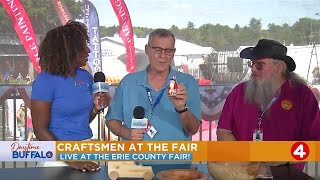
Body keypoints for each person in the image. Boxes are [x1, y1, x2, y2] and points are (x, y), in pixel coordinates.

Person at [217, 39, 320, 171]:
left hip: (286, 173)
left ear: (279, 67)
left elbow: (315, 142)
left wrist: (287, 155)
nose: (253, 69)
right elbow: (223, 131)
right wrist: (242, 159)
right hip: (242, 173)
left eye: (260, 65)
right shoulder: (238, 92)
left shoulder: (301, 95)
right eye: (252, 64)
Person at [31, 20, 111, 172]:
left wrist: (95, 108)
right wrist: (70, 159)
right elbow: (40, 130)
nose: (88, 50)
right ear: (67, 50)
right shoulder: (45, 80)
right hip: (56, 158)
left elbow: (82, 120)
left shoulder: (86, 77)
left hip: (84, 150)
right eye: (82, 46)